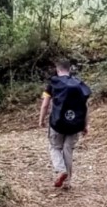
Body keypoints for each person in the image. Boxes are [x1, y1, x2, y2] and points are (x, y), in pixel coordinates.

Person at [39, 57, 91, 190]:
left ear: (57, 70)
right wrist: (85, 124)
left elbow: (45, 105)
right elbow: (85, 106)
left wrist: (41, 120)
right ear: (69, 70)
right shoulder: (79, 84)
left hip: (57, 123)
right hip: (75, 124)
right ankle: (67, 182)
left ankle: (61, 170)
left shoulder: (53, 84)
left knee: (55, 147)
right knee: (68, 150)